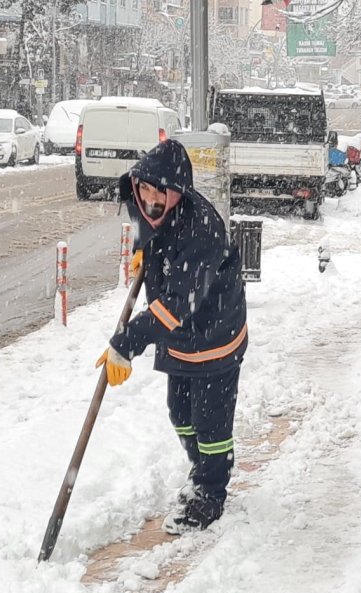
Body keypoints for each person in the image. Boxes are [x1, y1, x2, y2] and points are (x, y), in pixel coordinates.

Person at [95, 138, 249, 535]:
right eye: (142, 188)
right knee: (181, 414)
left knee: (210, 423)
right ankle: (200, 472)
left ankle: (210, 494)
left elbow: (176, 305)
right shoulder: (156, 208)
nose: (147, 198)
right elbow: (148, 226)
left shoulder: (202, 230)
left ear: (176, 190)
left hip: (215, 335)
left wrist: (126, 342)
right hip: (180, 338)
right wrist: (143, 248)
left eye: (156, 190)